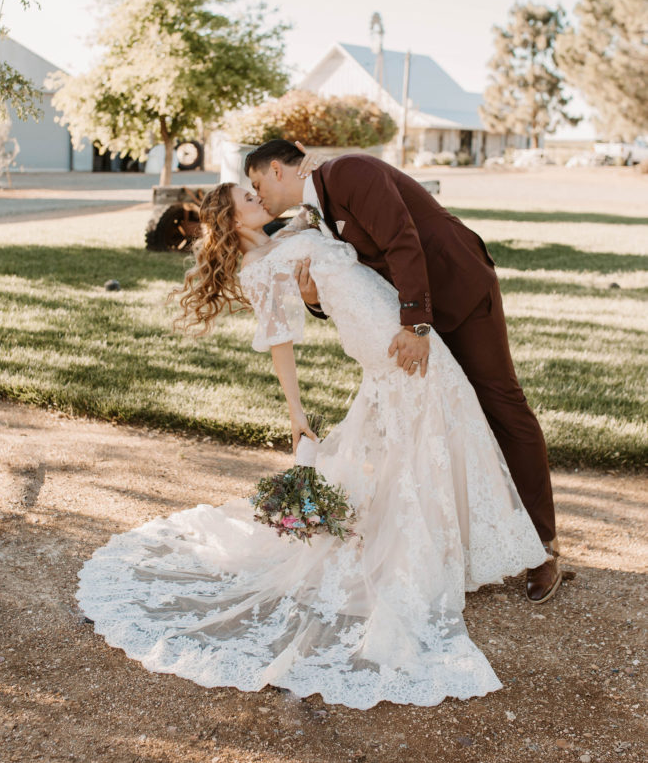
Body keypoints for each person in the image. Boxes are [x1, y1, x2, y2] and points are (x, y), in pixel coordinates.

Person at [77, 181, 549, 710]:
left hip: (400, 331)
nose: (259, 198)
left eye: (256, 191)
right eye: (248, 201)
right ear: (233, 224)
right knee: (426, 437)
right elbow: (281, 342)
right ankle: (419, 558)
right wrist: (296, 413)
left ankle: (453, 549)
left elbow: (340, 280)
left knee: (438, 434)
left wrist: (316, 293)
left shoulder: (292, 231)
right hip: (387, 347)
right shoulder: (259, 268)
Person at [245, 140, 569, 604]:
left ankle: (543, 546)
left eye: (257, 185)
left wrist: (415, 323)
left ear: (276, 169)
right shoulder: (315, 211)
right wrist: (315, 300)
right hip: (415, 313)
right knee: (454, 418)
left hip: (457, 291)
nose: (260, 197)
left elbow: (401, 238)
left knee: (501, 404)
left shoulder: (349, 172)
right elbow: (355, 277)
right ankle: (478, 543)